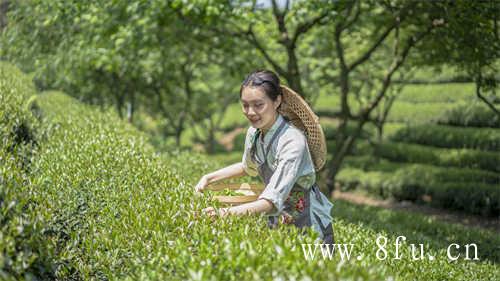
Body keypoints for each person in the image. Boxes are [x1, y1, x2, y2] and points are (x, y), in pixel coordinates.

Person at [194, 70, 334, 244]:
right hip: (278, 221)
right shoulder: (254, 134)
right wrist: (208, 178)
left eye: (258, 105)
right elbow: (248, 167)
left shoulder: (293, 142)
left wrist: (222, 214)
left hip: (309, 226)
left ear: (277, 101)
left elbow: (270, 202)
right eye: (245, 105)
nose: (250, 112)